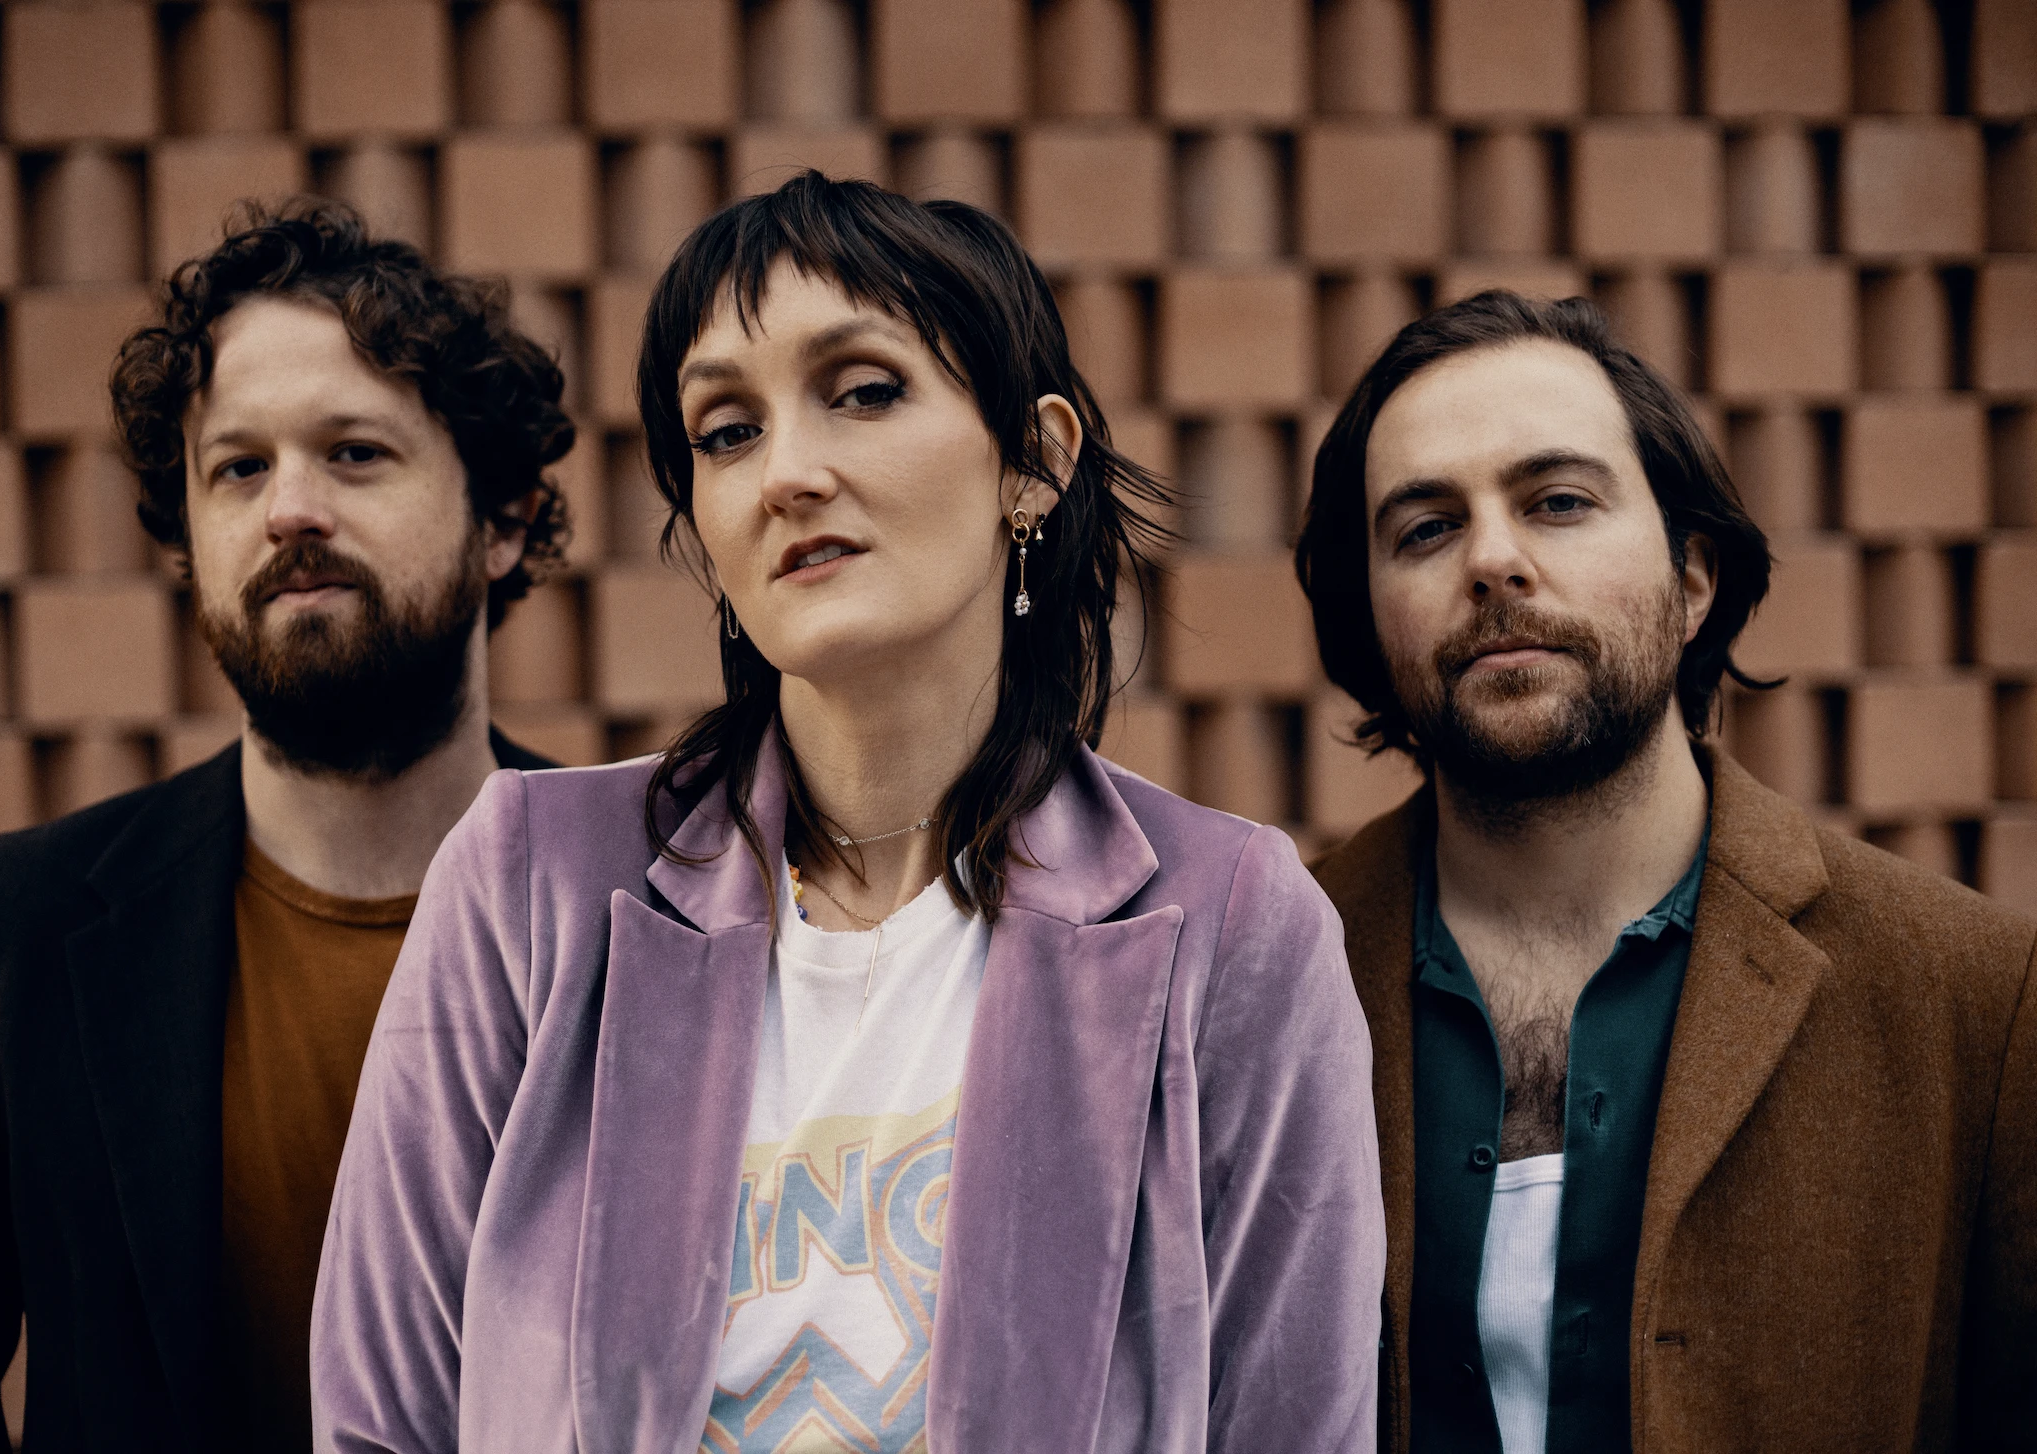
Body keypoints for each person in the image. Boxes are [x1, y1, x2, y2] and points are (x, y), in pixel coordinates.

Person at [312, 171, 1385, 1452]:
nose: (787, 474)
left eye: (865, 391)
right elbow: (380, 1422)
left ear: (1034, 463)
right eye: (726, 431)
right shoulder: (526, 884)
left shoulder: (1234, 924)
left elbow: (1292, 1423)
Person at [0, 199, 576, 1452]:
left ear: (500, 521)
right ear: (190, 535)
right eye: (239, 467)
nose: (291, 508)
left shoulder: (662, 907)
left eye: (354, 452)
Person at [1296, 290, 2036, 1453]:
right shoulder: (1262, 977)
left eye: (1558, 501)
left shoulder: (1975, 998)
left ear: (1693, 578)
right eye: (1427, 528)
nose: (1493, 560)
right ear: (1372, 623)